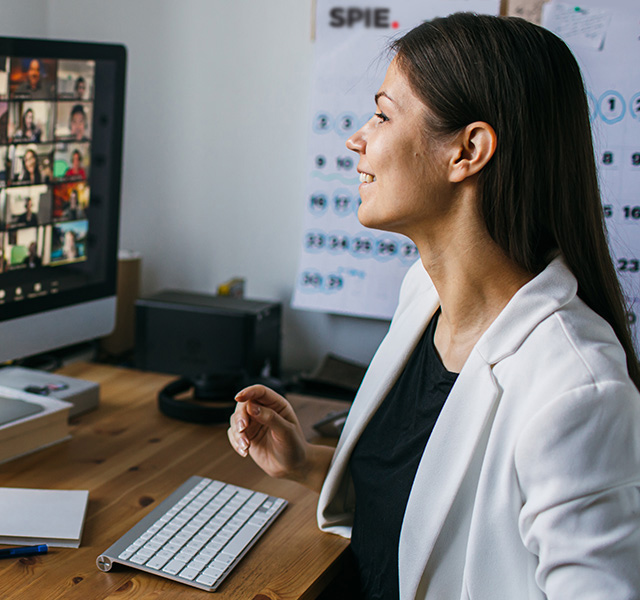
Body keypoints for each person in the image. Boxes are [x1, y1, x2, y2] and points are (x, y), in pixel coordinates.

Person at [228, 13, 640, 600]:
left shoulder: (578, 389)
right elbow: (431, 510)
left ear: (467, 151)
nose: (357, 138)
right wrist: (306, 463)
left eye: (382, 113)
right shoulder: (423, 294)